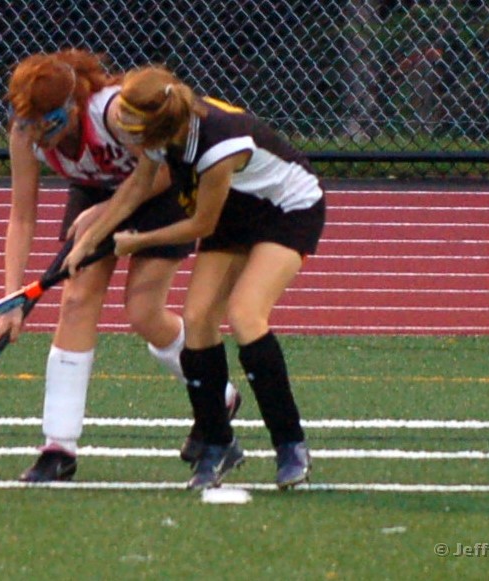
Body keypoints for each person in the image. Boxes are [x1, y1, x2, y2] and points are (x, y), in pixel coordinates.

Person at [66, 65, 326, 490]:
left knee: (245, 315)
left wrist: (137, 241)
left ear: (156, 128)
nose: (124, 135)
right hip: (234, 209)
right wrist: (88, 241)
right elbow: (136, 187)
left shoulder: (217, 147)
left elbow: (201, 225)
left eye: (132, 129)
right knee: (198, 319)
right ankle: (218, 443)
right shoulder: (165, 127)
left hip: (286, 209)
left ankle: (290, 444)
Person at [0, 50, 240, 482]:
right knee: (76, 300)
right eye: (26, 124)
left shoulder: (112, 114)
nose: (36, 136)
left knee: (143, 312)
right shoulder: (25, 133)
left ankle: (218, 394)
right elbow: (22, 216)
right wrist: (12, 300)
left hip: (160, 187)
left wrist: (106, 213)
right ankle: (58, 447)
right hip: (95, 191)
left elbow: (158, 174)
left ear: (72, 108)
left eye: (46, 124)